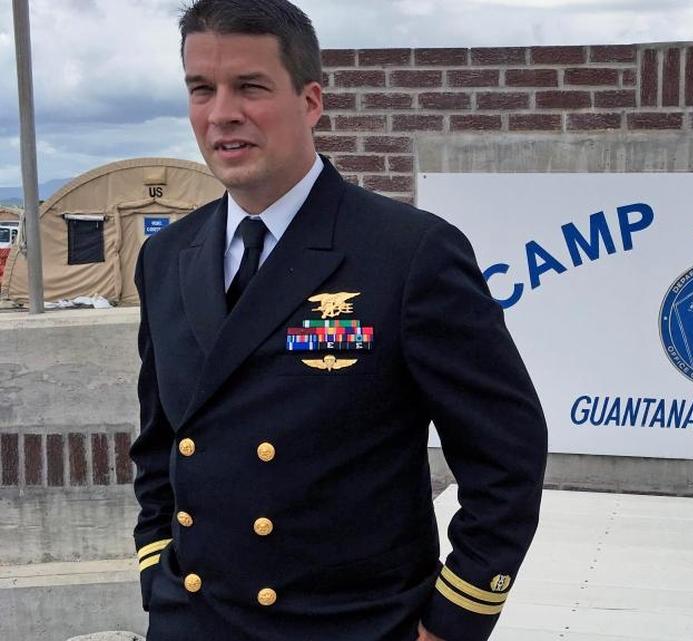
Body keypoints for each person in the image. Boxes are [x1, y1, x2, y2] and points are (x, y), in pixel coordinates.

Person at [129, 1, 548, 639]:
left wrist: (453, 620)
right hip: (194, 619)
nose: (222, 114)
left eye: (250, 87)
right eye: (201, 89)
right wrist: (157, 567)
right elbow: (160, 442)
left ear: (311, 102)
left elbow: (506, 454)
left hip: (351, 624)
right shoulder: (167, 257)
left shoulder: (408, 253)